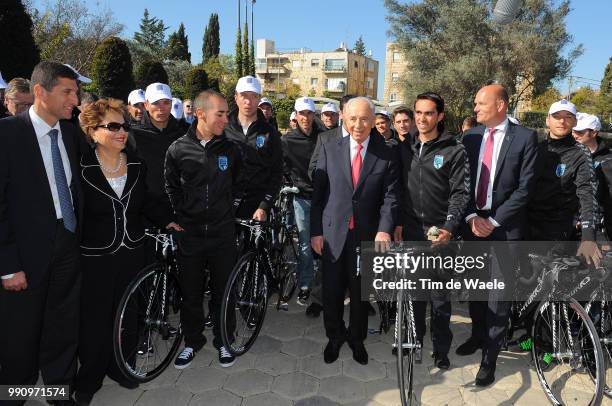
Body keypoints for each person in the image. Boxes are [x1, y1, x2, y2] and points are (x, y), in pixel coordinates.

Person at [73, 98, 178, 405]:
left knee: (129, 315)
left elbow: (148, 200)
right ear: (92, 130)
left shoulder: (135, 162)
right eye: (114, 126)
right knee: (95, 320)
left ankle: (123, 368)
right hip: (95, 257)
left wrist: (170, 221)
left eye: (125, 126)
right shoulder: (80, 167)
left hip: (133, 250)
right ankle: (89, 378)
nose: (122, 132)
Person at [0, 61, 83, 404]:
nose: (75, 100)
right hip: (24, 255)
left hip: (67, 242)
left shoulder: (70, 131)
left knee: (62, 325)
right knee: (20, 334)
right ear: (39, 92)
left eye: (76, 92)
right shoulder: (7, 134)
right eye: (67, 92)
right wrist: (7, 264)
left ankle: (58, 390)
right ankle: (14, 393)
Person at [458, 83, 538, 386]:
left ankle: (489, 359)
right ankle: (478, 337)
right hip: (473, 226)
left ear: (501, 105)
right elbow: (463, 182)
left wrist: (493, 220)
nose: (475, 108)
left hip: (505, 230)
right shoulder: (470, 137)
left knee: (498, 299)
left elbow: (525, 188)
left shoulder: (526, 138)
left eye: (481, 103)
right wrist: (470, 216)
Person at [311, 97, 400, 365]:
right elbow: (319, 194)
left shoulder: (386, 153)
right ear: (344, 119)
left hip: (367, 235)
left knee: (362, 291)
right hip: (333, 233)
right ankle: (334, 337)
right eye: (353, 119)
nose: (358, 125)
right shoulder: (329, 146)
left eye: (364, 119)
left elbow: (391, 197)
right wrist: (315, 231)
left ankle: (357, 339)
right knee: (333, 290)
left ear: (373, 121)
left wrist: (384, 230)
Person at [165, 90, 245, 369]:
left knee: (224, 291)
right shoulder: (177, 149)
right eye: (220, 113)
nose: (226, 118)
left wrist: (228, 212)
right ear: (200, 113)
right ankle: (192, 342)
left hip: (223, 234)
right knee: (191, 293)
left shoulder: (232, 149)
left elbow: (239, 185)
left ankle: (224, 340)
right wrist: (182, 215)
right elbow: (171, 186)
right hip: (191, 235)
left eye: (227, 113)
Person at [394, 92, 469, 370]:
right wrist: (399, 222)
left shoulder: (454, 149)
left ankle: (441, 350)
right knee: (415, 294)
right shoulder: (405, 147)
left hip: (441, 235)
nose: (422, 118)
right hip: (412, 231)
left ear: (439, 116)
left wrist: (449, 227)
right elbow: (398, 189)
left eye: (428, 113)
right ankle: (415, 340)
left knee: (439, 299)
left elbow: (460, 193)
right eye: (418, 113)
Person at [282, 97, 323, 306]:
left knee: (327, 244)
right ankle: (305, 284)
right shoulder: (288, 140)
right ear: (296, 116)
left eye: (309, 113)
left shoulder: (325, 137)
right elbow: (281, 165)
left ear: (314, 115)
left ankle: (326, 287)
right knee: (306, 245)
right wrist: (293, 180)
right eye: (301, 113)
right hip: (302, 199)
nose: (305, 118)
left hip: (325, 198)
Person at [225, 76, 283, 222]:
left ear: (259, 99)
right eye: (244, 96)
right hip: (225, 207)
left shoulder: (270, 132)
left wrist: (264, 206)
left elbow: (276, 172)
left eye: (254, 96)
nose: (248, 102)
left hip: (257, 209)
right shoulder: (222, 129)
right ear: (236, 97)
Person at [130, 83, 187, 223]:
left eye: (166, 102)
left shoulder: (185, 133)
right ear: (146, 105)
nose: (161, 108)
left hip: (181, 212)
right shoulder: (132, 135)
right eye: (155, 103)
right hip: (146, 215)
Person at [308, 94, 356, 179]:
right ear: (341, 114)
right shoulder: (324, 138)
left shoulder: (368, 137)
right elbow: (314, 169)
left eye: (332, 114)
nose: (329, 118)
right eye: (326, 114)